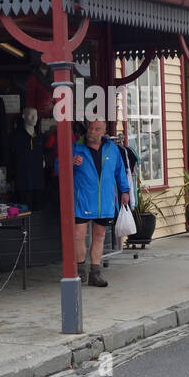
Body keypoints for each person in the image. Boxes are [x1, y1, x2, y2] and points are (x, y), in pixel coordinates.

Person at [58, 118, 130, 287]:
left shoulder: (112, 149)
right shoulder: (75, 148)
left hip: (104, 201)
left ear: (104, 132)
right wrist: (70, 163)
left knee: (99, 237)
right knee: (78, 237)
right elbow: (57, 168)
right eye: (90, 128)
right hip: (81, 200)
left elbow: (120, 172)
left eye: (97, 129)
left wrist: (125, 191)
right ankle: (81, 272)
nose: (92, 131)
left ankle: (95, 274)